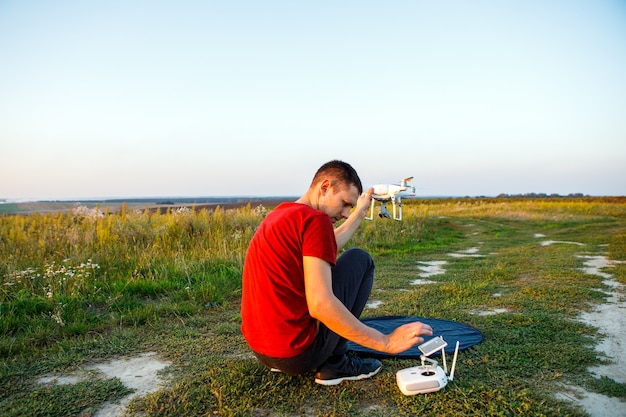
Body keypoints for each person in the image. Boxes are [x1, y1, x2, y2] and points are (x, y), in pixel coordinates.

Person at [241, 160, 433, 385]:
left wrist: (360, 212)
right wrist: (385, 342)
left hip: (264, 352)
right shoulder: (316, 220)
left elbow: (326, 244)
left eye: (350, 207)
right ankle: (335, 363)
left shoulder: (281, 215)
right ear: (325, 187)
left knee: (349, 259)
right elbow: (320, 304)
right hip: (296, 354)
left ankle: (317, 358)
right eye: (344, 203)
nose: (345, 213)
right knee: (359, 259)